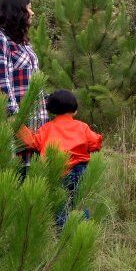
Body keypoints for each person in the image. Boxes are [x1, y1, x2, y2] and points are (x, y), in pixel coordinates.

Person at [0, 0, 48, 174]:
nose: (32, 13)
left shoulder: (22, 43)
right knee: (11, 188)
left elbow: (30, 84)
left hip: (35, 131)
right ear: (17, 11)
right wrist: (16, 125)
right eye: (29, 8)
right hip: (14, 132)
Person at [18, 89, 103, 228]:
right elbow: (96, 143)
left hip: (57, 171)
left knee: (60, 206)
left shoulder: (46, 128)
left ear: (51, 110)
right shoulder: (82, 127)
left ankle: (62, 236)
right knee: (80, 203)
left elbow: (32, 142)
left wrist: (19, 125)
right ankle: (82, 232)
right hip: (80, 170)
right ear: (75, 109)